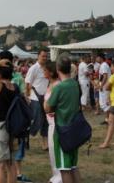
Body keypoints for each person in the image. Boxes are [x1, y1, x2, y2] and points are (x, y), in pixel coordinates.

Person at [45, 53, 81, 183]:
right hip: (74, 129)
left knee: (64, 169)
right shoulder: (75, 84)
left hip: (62, 130)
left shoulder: (59, 87)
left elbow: (48, 108)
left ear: (58, 68)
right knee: (73, 166)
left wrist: (46, 100)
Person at [25, 50, 49, 150]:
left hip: (46, 97)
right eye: (43, 56)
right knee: (37, 119)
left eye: (46, 56)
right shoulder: (33, 68)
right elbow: (27, 83)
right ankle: (26, 135)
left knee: (45, 121)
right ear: (38, 56)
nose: (45, 58)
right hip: (35, 97)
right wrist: (27, 97)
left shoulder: (47, 68)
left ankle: (45, 143)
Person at [43, 61, 61, 183]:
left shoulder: (57, 85)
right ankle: (56, 175)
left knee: (56, 149)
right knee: (52, 150)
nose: (43, 72)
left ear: (50, 72)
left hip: (56, 121)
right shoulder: (50, 84)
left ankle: (60, 177)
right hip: (50, 121)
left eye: (45, 70)